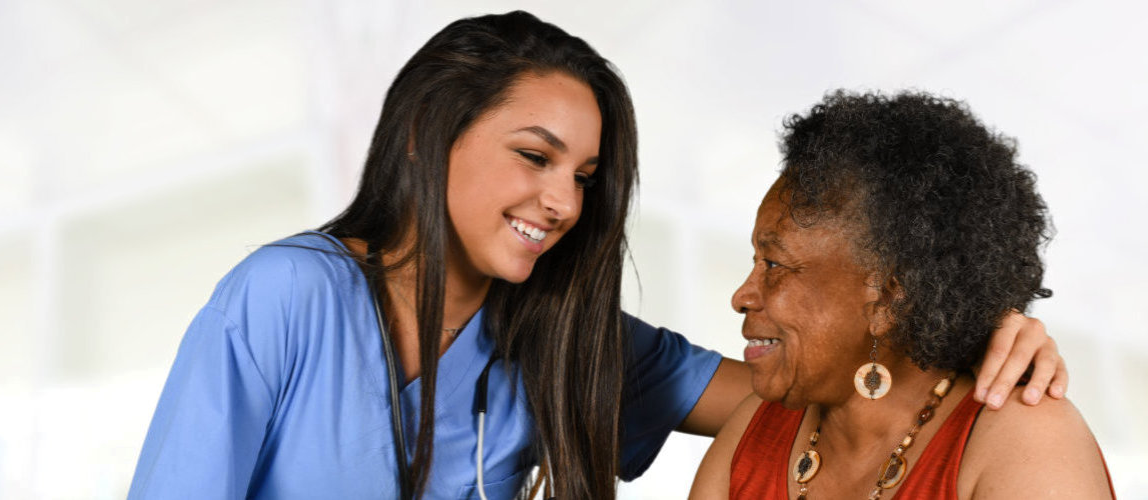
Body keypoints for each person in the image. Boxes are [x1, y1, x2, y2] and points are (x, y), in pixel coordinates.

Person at [128, 12, 1068, 500]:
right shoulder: (287, 297)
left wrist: (978, 328)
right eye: (534, 157)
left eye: (586, 175)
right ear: (427, 136)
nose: (563, 202)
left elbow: (829, 385)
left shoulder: (566, 337)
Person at [690, 90, 1115, 499]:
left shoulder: (1027, 438)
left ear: (889, 296)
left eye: (775, 265)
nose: (742, 296)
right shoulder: (752, 429)